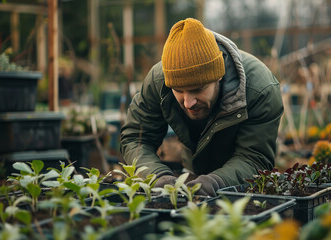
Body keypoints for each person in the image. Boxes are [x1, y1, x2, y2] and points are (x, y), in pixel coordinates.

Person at [120, 18, 283, 196]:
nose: (188, 102)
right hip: (193, 170)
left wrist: (213, 183)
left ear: (219, 76)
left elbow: (254, 158)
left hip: (243, 186)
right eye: (178, 91)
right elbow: (136, 138)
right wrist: (157, 177)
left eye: (198, 89)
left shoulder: (260, 89)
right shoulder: (159, 81)